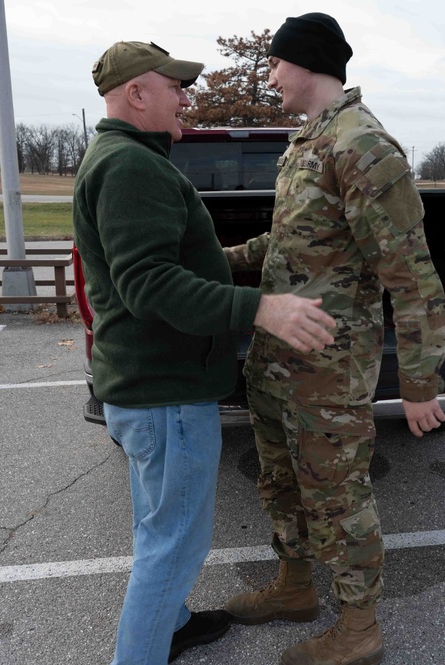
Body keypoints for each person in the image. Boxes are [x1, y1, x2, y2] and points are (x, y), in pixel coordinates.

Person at [73, 40, 336, 665]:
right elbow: (149, 284)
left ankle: (174, 622)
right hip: (165, 393)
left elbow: (169, 262)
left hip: (145, 386)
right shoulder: (132, 167)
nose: (185, 96)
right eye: (175, 86)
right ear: (137, 93)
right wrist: (261, 309)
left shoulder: (122, 157)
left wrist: (245, 259)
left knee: (157, 525)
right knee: (174, 544)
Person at [222, 13, 445, 665]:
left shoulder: (363, 146)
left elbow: (411, 276)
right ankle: (294, 588)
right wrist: (225, 260)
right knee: (280, 483)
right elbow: (290, 243)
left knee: (338, 499)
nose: (268, 77)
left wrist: (417, 385)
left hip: (328, 374)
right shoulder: (308, 143)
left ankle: (357, 629)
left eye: (275, 64)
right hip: (275, 365)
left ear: (309, 63)